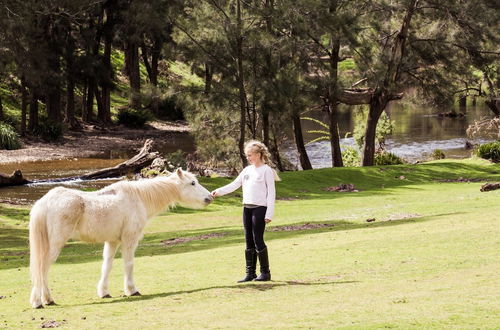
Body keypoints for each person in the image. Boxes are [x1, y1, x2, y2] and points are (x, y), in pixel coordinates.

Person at [211, 140, 280, 282]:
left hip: (260, 208)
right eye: (247, 155)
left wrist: (269, 213)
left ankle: (265, 273)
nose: (248, 158)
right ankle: (250, 273)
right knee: (248, 240)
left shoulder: (266, 170)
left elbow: (271, 193)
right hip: (247, 208)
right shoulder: (247, 170)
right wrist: (218, 192)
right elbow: (234, 184)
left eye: (250, 155)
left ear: (259, 154)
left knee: (257, 239)